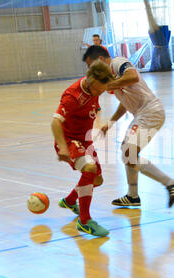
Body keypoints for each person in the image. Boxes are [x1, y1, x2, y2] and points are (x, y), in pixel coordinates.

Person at [82, 45, 174, 208]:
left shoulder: (117, 63)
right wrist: (110, 123)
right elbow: (124, 103)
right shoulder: (110, 77)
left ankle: (170, 184)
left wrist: (109, 86)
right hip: (142, 114)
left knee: (129, 153)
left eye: (91, 65)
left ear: (100, 60)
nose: (90, 70)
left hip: (150, 111)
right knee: (127, 152)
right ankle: (132, 196)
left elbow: (133, 76)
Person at [51, 60, 114, 237]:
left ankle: (71, 201)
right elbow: (55, 121)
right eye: (99, 90)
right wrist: (63, 148)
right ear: (90, 81)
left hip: (84, 141)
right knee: (89, 169)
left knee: (97, 180)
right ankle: (85, 221)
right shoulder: (72, 96)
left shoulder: (95, 86)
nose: (101, 92)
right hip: (69, 140)